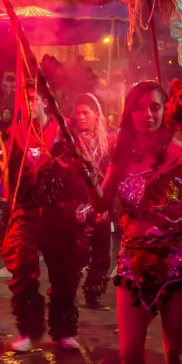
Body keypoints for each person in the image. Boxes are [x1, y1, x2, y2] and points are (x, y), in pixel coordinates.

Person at [89, 80, 182, 364]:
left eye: (155, 107)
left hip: (177, 261)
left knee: (175, 355)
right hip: (133, 262)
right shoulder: (122, 154)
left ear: (165, 110)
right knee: (129, 355)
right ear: (129, 112)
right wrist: (88, 178)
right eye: (140, 109)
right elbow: (101, 203)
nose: (148, 115)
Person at [3, 82, 88, 353]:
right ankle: (29, 330)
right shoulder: (15, 134)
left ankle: (63, 331)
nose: (28, 104)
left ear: (44, 103)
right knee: (22, 268)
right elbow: (8, 174)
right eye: (24, 100)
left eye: (33, 99)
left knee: (64, 273)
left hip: (57, 210)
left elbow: (77, 172)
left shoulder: (63, 132)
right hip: (26, 209)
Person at [73, 93, 116, 310]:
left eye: (85, 113)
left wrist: (107, 203)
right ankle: (66, 289)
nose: (80, 117)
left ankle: (94, 293)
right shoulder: (71, 140)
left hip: (101, 203)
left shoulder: (109, 141)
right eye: (78, 113)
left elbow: (114, 173)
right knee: (76, 251)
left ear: (97, 114)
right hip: (78, 204)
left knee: (102, 251)